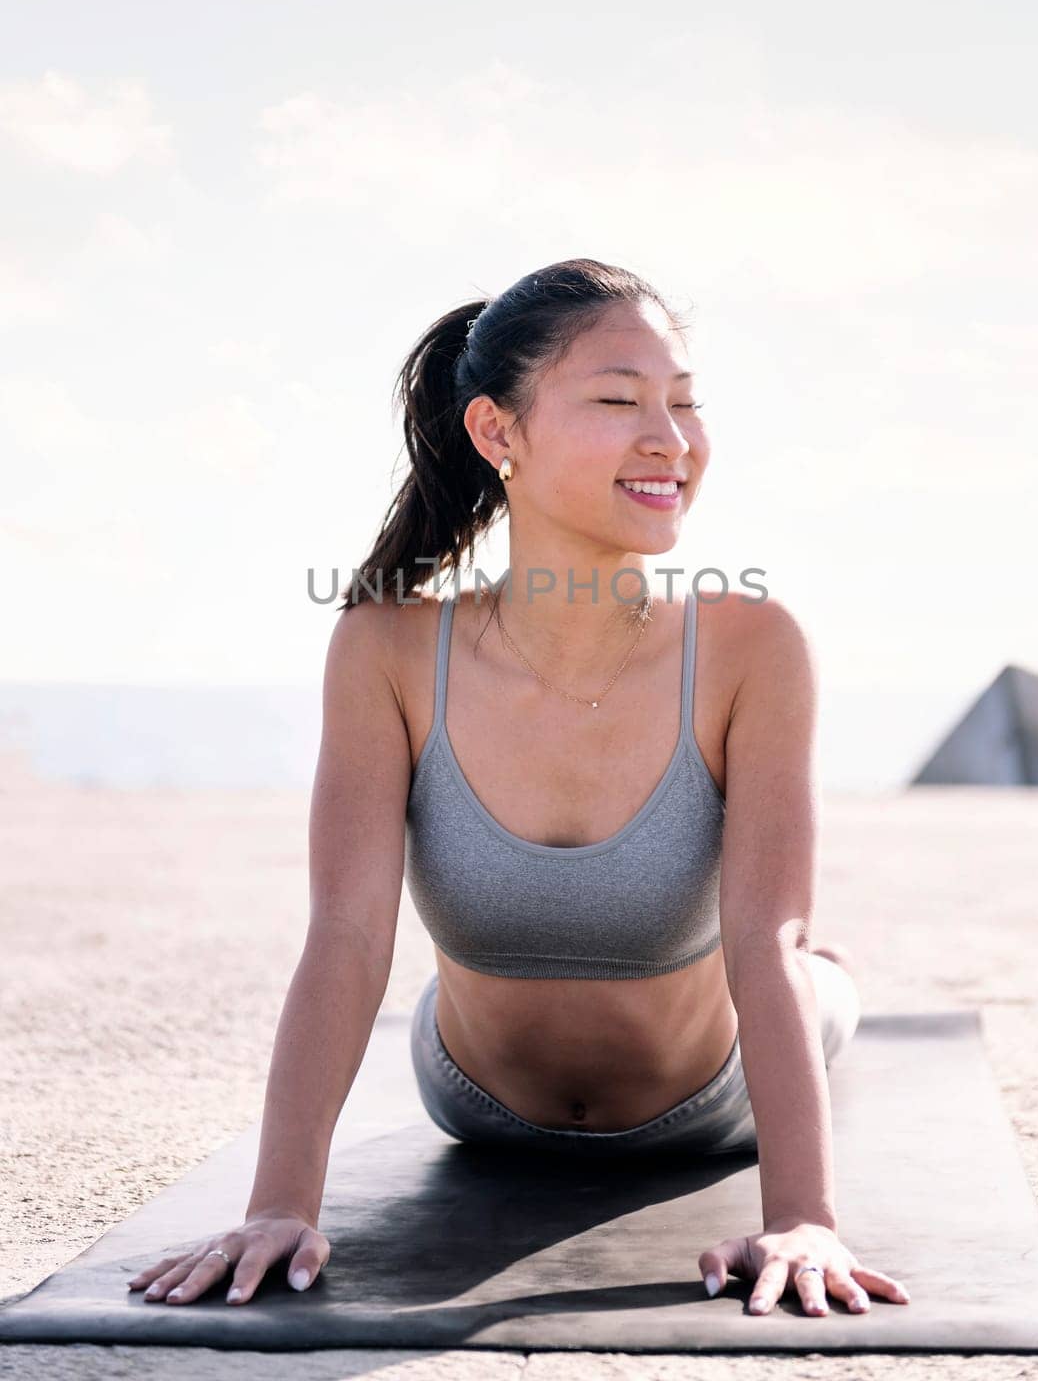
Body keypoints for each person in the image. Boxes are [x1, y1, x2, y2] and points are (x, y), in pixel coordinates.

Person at [127, 257, 910, 1320]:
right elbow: (347, 933)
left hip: (703, 1096)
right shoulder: (385, 648)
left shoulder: (748, 646)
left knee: (810, 982)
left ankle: (839, 978)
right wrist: (278, 1204)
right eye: (617, 399)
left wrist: (803, 1213)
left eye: (682, 403)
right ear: (498, 433)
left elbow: (759, 936)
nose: (669, 440)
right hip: (469, 1094)